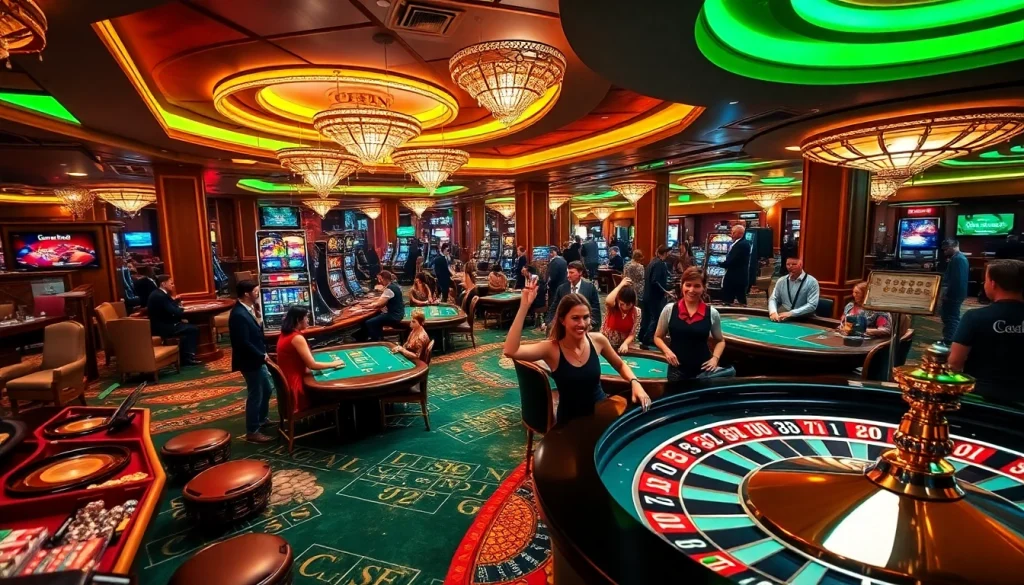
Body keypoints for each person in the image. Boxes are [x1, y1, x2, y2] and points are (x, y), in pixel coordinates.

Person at [504, 282, 650, 423]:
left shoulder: (598, 340)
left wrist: (635, 382)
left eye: (586, 317)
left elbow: (620, 365)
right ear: (562, 320)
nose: (582, 324)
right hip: (570, 422)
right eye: (575, 318)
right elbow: (511, 350)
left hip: (600, 413)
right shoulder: (551, 348)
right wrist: (524, 306)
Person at [949, 259, 1024, 404]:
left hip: (981, 398)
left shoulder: (975, 317)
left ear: (993, 283)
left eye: (985, 280)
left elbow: (954, 362)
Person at [654, 267, 726, 381]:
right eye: (688, 285)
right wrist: (667, 351)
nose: (691, 290)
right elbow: (657, 337)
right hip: (676, 371)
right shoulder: (669, 309)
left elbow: (720, 341)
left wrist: (715, 359)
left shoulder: (712, 313)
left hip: (703, 372)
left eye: (697, 286)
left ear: (704, 287)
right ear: (682, 285)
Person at [228, 280, 275, 443]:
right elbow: (243, 342)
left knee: (267, 389)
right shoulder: (238, 315)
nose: (258, 294)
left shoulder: (248, 309)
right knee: (256, 393)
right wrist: (261, 355)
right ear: (247, 294)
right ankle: (252, 430)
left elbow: (255, 333)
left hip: (256, 357)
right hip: (249, 361)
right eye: (256, 291)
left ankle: (262, 419)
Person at [276, 306, 345, 413]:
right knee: (335, 394)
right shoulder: (296, 338)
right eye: (306, 317)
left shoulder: (286, 332)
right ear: (299, 320)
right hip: (297, 386)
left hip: (288, 380)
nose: (308, 320)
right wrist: (334, 363)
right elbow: (312, 365)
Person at [146, 275, 200, 365]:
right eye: (171, 283)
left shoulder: (160, 293)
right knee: (193, 329)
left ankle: (185, 356)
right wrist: (181, 309)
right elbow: (174, 311)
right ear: (163, 284)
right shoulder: (160, 296)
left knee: (188, 326)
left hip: (165, 323)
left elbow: (172, 307)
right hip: (163, 327)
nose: (172, 285)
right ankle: (188, 357)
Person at [548, 261, 602, 331]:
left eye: (571, 273)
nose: (568, 275)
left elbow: (595, 308)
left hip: (584, 323)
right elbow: (554, 307)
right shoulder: (561, 288)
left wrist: (593, 323)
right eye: (567, 272)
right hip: (565, 324)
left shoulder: (590, 288)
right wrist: (549, 322)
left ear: (580, 273)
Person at [768, 257, 820, 322]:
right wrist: (773, 312)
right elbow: (774, 298)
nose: (790, 267)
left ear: (801, 265)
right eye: (788, 264)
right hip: (784, 316)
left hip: (805, 318)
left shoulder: (812, 282)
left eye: (794, 264)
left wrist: (791, 313)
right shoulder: (781, 280)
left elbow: (812, 305)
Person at [357, 270, 404, 341]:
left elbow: (379, 304)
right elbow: (382, 301)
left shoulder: (389, 289)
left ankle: (376, 341)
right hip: (399, 313)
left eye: (380, 279)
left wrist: (365, 306)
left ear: (384, 279)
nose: (379, 281)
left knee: (369, 322)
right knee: (374, 317)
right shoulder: (394, 286)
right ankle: (378, 337)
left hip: (394, 316)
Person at [940, 238, 969, 345]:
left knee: (951, 317)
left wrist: (948, 294)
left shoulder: (958, 259)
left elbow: (957, 279)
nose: (945, 252)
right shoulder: (957, 258)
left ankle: (949, 340)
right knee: (949, 316)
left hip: (954, 294)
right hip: (956, 293)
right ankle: (949, 337)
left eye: (946, 249)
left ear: (953, 247)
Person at [640, 245, 670, 346]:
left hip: (647, 295)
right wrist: (666, 291)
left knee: (647, 318)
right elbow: (655, 281)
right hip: (654, 296)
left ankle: (642, 336)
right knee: (656, 317)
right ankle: (647, 338)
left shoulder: (652, 262)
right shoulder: (659, 264)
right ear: (665, 253)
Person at [603, 277, 641, 353]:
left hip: (624, 345)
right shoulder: (613, 307)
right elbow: (608, 301)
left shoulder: (637, 312)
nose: (625, 307)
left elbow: (633, 333)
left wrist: (625, 344)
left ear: (633, 303)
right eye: (622, 304)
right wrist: (620, 285)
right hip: (607, 343)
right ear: (618, 300)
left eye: (628, 304)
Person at [719, 224, 751, 306]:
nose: (731, 234)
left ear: (740, 233)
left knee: (730, 301)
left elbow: (732, 261)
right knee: (740, 299)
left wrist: (720, 263)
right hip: (738, 277)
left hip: (735, 278)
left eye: (733, 232)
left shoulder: (741, 244)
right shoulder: (741, 243)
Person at [543, 247, 568, 332]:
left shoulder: (554, 262)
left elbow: (552, 277)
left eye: (549, 253)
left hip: (554, 287)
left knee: (553, 305)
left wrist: (547, 285)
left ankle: (552, 325)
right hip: (563, 285)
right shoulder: (563, 260)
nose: (548, 255)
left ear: (553, 252)